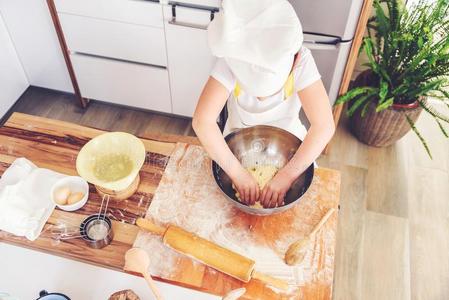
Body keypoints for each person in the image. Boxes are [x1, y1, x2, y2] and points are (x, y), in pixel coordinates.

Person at [192, 0, 335, 208]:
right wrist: (237, 172)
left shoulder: (301, 61)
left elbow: (324, 126)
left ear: (293, 61)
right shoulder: (232, 57)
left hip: (290, 146)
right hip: (237, 141)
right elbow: (202, 121)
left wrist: (287, 175)